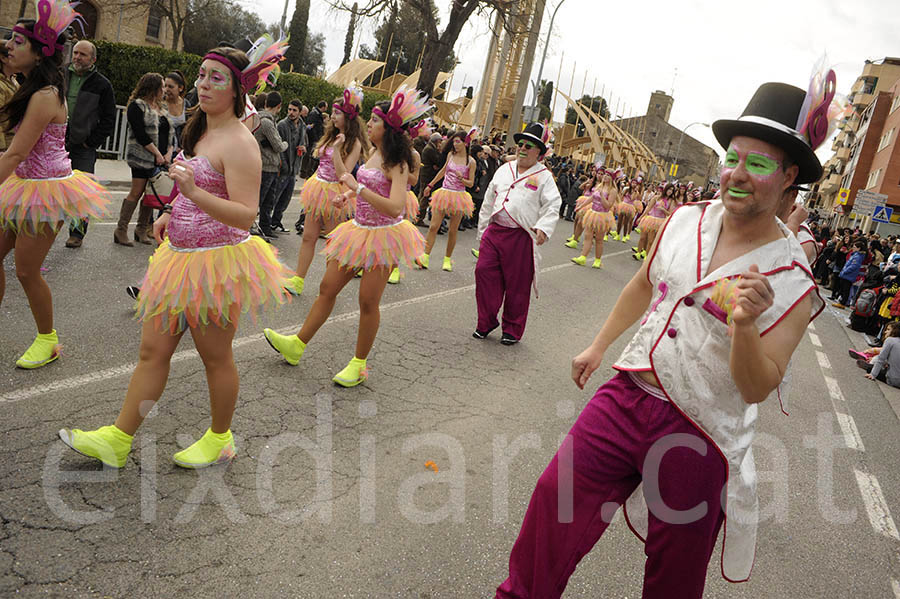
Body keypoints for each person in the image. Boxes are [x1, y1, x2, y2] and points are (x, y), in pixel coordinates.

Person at [496, 78, 833, 598]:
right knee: (554, 501)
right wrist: (599, 344)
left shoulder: (791, 279)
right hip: (628, 392)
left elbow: (759, 384)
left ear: (790, 176)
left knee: (674, 573)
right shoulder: (685, 220)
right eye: (732, 158)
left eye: (758, 164)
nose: (737, 175)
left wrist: (744, 327)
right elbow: (641, 283)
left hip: (700, 433)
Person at [59, 38, 292, 469]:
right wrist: (174, 213)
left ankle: (221, 438)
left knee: (215, 356)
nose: (202, 84)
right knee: (152, 352)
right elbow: (194, 186)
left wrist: (194, 194)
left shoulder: (241, 142)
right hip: (178, 259)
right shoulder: (202, 129)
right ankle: (118, 439)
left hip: (217, 266)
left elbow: (245, 215)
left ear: (237, 89)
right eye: (201, 75)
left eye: (215, 78)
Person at [264, 86, 429, 386]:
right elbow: (363, 187)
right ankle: (296, 345)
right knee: (327, 287)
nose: (370, 124)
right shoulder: (375, 153)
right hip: (359, 230)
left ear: (388, 128)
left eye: (376, 121)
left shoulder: (398, 162)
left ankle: (359, 364)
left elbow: (394, 207)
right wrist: (349, 197)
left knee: (368, 301)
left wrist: (358, 188)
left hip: (383, 237)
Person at [0, 5, 111, 369]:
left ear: (39, 52)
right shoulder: (28, 85)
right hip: (23, 187)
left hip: (45, 193)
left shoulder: (45, 95)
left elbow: (16, 153)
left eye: (18, 42)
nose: (9, 46)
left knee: (27, 271)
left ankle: (48, 340)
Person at [473, 122, 560, 345]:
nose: (522, 148)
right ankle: (486, 321)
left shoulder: (544, 176)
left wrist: (543, 228)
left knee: (517, 286)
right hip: (495, 232)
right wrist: (483, 231)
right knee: (484, 273)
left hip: (521, 235)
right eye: (520, 144)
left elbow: (552, 205)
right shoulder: (504, 170)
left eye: (528, 145)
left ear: (539, 152)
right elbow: (489, 200)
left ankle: (512, 328)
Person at [285, 85, 368, 296]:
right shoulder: (330, 135)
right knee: (308, 236)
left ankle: (329, 286)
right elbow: (319, 162)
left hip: (336, 194)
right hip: (318, 188)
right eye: (332, 112)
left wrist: (338, 150)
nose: (332, 116)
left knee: (333, 242)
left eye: (337, 113)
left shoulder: (354, 142)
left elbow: (345, 174)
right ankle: (298, 280)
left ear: (348, 117)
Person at [62, 39, 116, 249]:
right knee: (50, 187)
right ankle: (44, 230)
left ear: (93, 59)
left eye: (83, 54)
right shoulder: (61, 75)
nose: (77, 57)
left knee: (81, 192)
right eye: (75, 53)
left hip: (82, 147)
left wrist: (90, 142)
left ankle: (76, 234)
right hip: (57, 143)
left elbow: (109, 119)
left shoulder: (102, 84)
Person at [114, 72, 168, 246]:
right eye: (162, 86)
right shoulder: (137, 106)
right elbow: (140, 134)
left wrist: (166, 153)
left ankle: (141, 229)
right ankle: (121, 229)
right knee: (136, 192)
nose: (164, 90)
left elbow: (167, 132)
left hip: (156, 159)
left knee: (150, 193)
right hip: (141, 157)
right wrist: (157, 153)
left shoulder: (159, 107)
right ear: (153, 88)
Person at [420, 130, 476, 271]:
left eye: (458, 141)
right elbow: (443, 171)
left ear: (465, 143)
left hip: (459, 196)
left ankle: (447, 259)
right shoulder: (450, 155)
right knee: (433, 226)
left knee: (452, 230)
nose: (455, 144)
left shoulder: (471, 162)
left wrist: (461, 179)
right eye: (454, 141)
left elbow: (471, 183)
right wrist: (430, 185)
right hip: (444, 193)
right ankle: (425, 257)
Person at [254, 90, 288, 239]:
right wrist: (285, 143)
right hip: (266, 165)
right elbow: (279, 146)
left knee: (268, 201)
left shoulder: (260, 119)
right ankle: (252, 228)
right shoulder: (267, 122)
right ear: (279, 105)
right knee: (261, 200)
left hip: (269, 165)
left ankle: (265, 228)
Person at [271, 99, 306, 234]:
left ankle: (275, 222)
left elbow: (305, 143)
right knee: (275, 197)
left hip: (294, 168)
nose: (291, 112)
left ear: (299, 112)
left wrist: (304, 148)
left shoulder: (302, 126)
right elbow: (279, 148)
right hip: (283, 168)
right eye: (289, 109)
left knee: (285, 199)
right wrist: (284, 166)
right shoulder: (282, 125)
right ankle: (266, 222)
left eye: (294, 110)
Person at [571, 169, 616, 269]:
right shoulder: (599, 186)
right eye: (605, 174)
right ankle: (583, 257)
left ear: (611, 178)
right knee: (588, 237)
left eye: (608, 175)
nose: (605, 176)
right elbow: (591, 198)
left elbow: (608, 206)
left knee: (599, 239)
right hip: (592, 213)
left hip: (602, 216)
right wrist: (581, 206)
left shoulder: (612, 191)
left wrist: (601, 196)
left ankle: (597, 260)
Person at [414, 132, 442, 225]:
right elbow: (437, 161)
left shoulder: (430, 147)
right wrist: (439, 151)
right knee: (424, 196)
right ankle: (419, 217)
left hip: (427, 174)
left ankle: (418, 216)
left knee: (423, 194)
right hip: (427, 174)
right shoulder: (430, 149)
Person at [163, 70, 188, 146]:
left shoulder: (186, 105)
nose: (166, 89)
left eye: (170, 87)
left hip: (179, 151)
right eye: (165, 86)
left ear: (180, 88)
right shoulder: (159, 103)